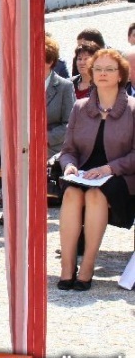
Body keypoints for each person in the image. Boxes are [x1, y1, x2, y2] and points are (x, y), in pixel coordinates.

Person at [58, 49, 135, 291]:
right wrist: (69, 165)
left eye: (109, 69)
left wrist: (109, 168)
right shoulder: (80, 107)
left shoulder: (133, 109)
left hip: (120, 175)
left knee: (95, 195)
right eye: (98, 69)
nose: (102, 73)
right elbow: (68, 150)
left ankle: (88, 266)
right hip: (83, 175)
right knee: (71, 194)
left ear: (121, 75)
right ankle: (67, 266)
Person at [45, 36, 75, 159]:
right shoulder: (23, 86)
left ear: (50, 62)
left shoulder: (65, 86)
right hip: (24, 149)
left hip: (53, 150)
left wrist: (45, 138)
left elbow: (71, 123)